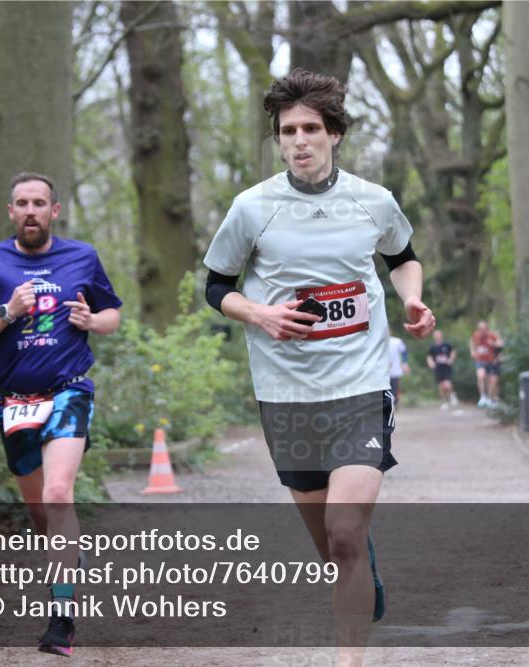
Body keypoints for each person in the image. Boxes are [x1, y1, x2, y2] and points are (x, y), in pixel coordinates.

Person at [203, 69, 434, 665]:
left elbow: (403, 258)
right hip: (285, 392)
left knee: (343, 534)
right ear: (278, 139)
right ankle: (361, 569)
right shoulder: (253, 209)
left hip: (359, 386)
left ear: (334, 134)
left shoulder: (372, 200)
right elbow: (216, 285)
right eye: (287, 131)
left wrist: (410, 297)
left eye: (311, 128)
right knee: (331, 547)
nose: (299, 140)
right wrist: (258, 314)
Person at [0, 173, 122, 656]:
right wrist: (7, 312)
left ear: (55, 210)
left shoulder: (82, 257)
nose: (31, 211)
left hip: (68, 390)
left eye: (40, 203)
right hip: (14, 400)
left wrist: (92, 320)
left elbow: (112, 315)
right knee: (41, 513)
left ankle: (61, 619)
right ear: (10, 212)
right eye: (22, 203)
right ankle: (67, 553)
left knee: (57, 491)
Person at [470, 320, 503, 407]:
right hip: (480, 360)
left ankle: (489, 398)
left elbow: (500, 344)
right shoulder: (476, 335)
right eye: (481, 329)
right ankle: (482, 397)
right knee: (480, 376)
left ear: (487, 329)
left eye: (484, 329)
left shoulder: (491, 335)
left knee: (491, 381)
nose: (482, 331)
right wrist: (473, 351)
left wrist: (493, 344)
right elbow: (471, 342)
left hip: (491, 361)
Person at [426, 329, 458, 409]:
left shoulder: (447, 345)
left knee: (447, 384)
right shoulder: (432, 347)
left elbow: (453, 351)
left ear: (441, 336)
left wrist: (451, 359)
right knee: (441, 386)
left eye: (438, 335)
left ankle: (452, 395)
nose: (437, 337)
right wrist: (431, 363)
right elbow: (429, 356)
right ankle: (444, 402)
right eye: (435, 335)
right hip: (438, 368)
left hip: (446, 367)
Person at [387, 331, 410, 408]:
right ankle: (389, 405)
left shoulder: (396, 341)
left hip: (395, 370)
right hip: (383, 372)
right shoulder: (379, 342)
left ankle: (395, 403)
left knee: (395, 388)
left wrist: (405, 363)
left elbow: (404, 352)